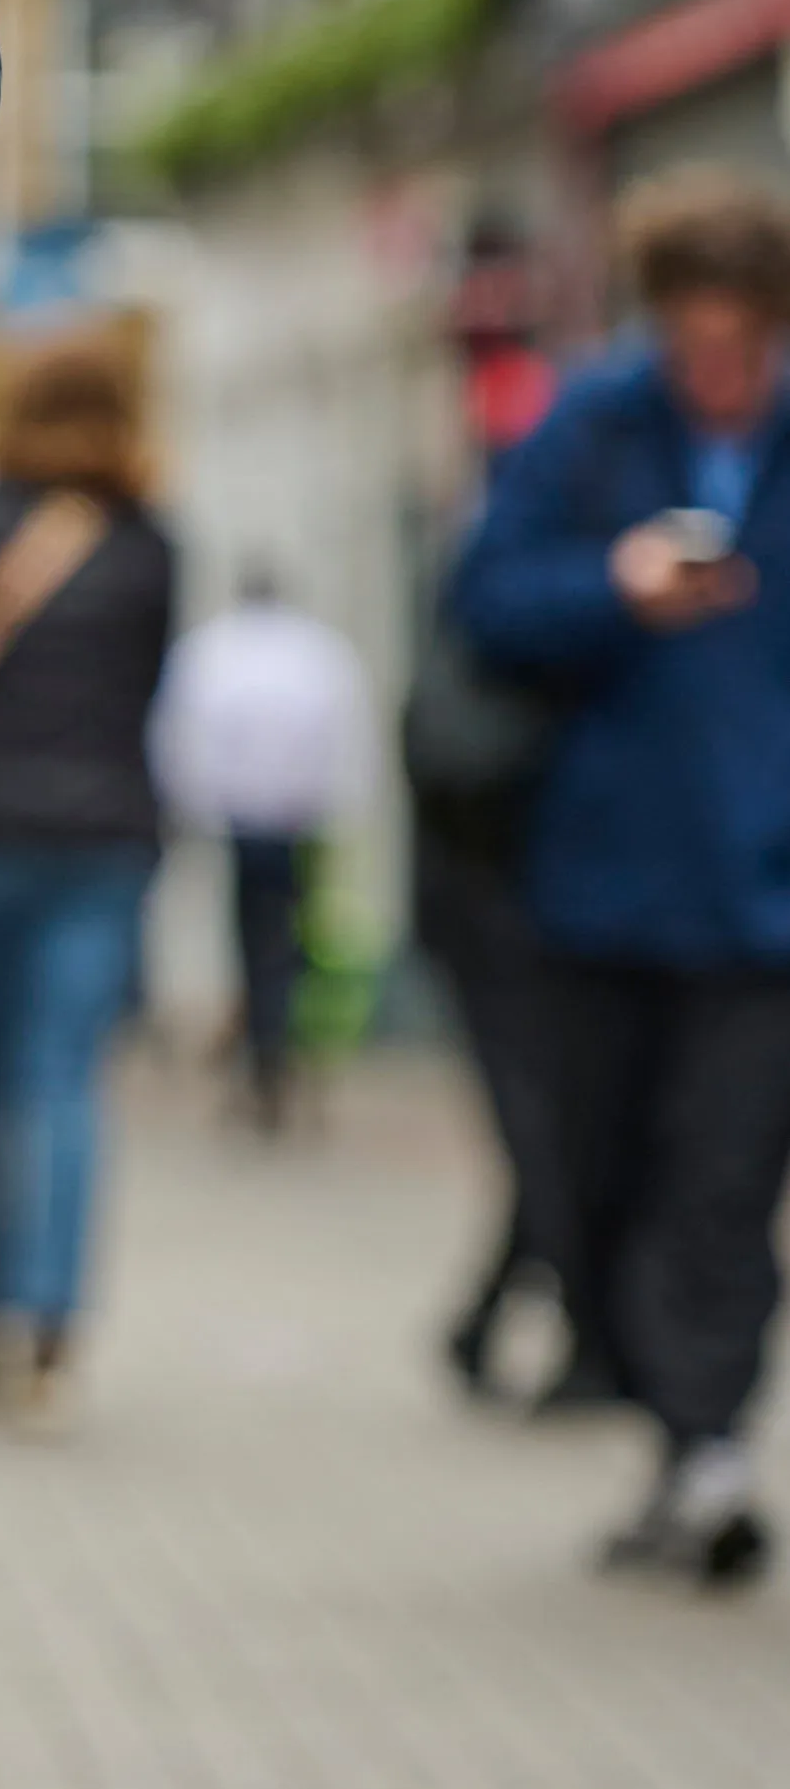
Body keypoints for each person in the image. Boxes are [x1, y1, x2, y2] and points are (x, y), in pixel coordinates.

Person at [454, 170, 790, 1587]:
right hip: (596, 885)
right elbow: (478, 600)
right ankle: (668, 1427)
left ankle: (703, 1447)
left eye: (739, 343)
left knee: (719, 1183)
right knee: (592, 1181)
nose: (712, 370)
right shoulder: (589, 425)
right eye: (689, 341)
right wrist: (612, 587)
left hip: (763, 902)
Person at [0, 343, 174, 1411]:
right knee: (62, 1077)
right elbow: (147, 686)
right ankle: (48, 1317)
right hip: (98, 839)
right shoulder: (148, 545)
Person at [150, 570, 374, 1125]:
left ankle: (265, 1048)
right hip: (297, 818)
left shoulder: (213, 650)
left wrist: (189, 806)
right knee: (285, 938)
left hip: (243, 818)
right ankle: (272, 1049)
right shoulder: (317, 652)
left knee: (256, 938)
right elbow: (347, 734)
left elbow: (182, 735)